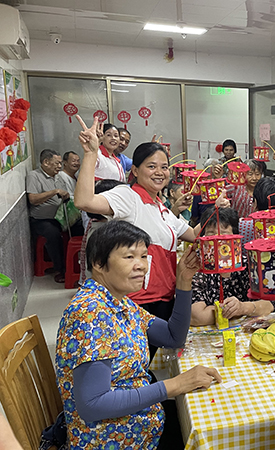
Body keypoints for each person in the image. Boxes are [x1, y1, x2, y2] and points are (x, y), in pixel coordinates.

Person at [55, 220, 222, 450]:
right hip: (113, 439)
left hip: (141, 422)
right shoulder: (89, 313)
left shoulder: (120, 302)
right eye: (129, 257)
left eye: (144, 256)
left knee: (209, 418)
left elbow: (173, 337)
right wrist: (175, 384)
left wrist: (183, 280)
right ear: (99, 264)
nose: (141, 265)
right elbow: (93, 404)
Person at [74, 116, 212, 322]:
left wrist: (215, 208)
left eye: (164, 167)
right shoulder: (129, 196)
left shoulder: (161, 208)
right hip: (137, 301)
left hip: (164, 297)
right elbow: (84, 201)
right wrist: (91, 153)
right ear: (136, 171)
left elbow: (193, 235)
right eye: (152, 166)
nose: (160, 172)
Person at [191, 207, 274, 325]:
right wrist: (239, 310)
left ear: (236, 238)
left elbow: (268, 305)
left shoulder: (248, 265)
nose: (217, 241)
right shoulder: (197, 267)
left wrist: (242, 307)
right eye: (211, 235)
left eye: (224, 235)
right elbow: (197, 317)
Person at [27, 148, 70, 283]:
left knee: (79, 227)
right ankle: (60, 269)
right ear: (46, 162)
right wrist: (54, 191)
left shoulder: (58, 177)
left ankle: (76, 266)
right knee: (53, 234)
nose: (59, 166)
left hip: (59, 217)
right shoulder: (34, 176)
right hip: (41, 220)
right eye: (57, 163)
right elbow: (33, 199)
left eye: (60, 164)